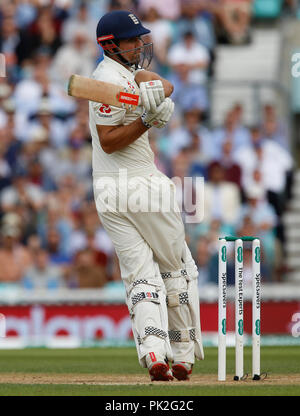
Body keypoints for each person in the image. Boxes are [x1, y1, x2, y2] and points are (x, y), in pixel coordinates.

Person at [89, 10, 204, 382]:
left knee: (139, 275)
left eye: (140, 39)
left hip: (108, 192)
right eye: (132, 40)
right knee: (176, 267)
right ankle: (183, 355)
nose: (140, 45)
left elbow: (163, 85)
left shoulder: (125, 74)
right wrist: (147, 120)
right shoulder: (105, 81)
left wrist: (155, 95)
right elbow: (108, 142)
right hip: (140, 184)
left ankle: (154, 354)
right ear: (111, 45)